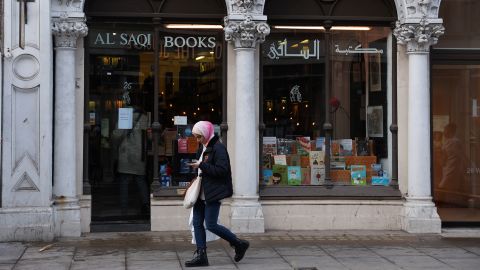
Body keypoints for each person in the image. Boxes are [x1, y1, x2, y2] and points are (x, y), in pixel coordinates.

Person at [185, 121, 249, 267]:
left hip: (212, 192)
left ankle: (238, 243)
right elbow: (204, 170)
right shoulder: (203, 147)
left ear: (206, 134)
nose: (197, 140)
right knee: (197, 223)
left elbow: (222, 170)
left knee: (211, 224)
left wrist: (201, 165)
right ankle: (201, 255)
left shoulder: (219, 148)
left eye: (199, 137)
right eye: (195, 137)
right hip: (201, 191)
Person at [112, 107, 150, 216]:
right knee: (141, 181)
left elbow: (116, 135)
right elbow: (149, 137)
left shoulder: (125, 117)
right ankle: (146, 206)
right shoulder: (145, 118)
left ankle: (124, 210)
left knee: (124, 182)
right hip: (140, 155)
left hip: (126, 154)